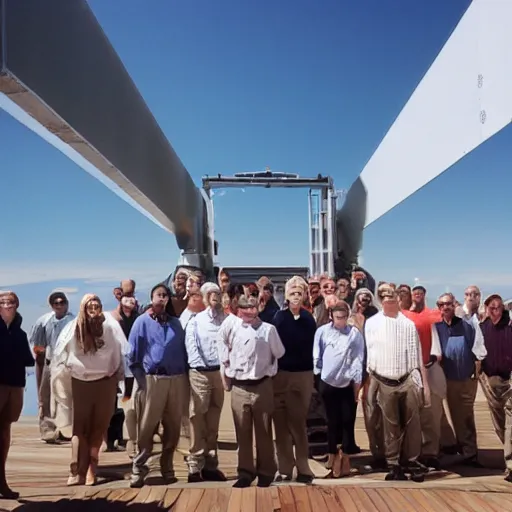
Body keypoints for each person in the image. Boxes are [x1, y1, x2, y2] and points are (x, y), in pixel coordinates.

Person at [52, 294, 128, 486]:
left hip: (105, 381)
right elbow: (61, 353)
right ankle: (76, 469)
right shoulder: (73, 328)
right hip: (81, 381)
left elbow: (120, 352)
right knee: (80, 428)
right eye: (89, 306)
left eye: (97, 305)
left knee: (99, 427)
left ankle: (92, 470)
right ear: (83, 308)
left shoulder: (110, 327)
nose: (94, 309)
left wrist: (120, 380)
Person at [128, 284, 188, 488]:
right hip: (152, 380)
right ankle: (139, 467)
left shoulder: (176, 324)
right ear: (151, 297)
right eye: (158, 295)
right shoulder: (141, 322)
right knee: (146, 427)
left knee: (172, 427)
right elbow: (132, 355)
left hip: (176, 379)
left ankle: (167, 468)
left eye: (165, 296)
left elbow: (183, 351)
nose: (162, 299)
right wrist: (141, 381)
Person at [314, 301, 364, 478]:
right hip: (327, 382)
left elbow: (359, 359)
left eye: (343, 317)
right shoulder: (322, 332)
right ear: (331, 316)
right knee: (331, 421)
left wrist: (357, 384)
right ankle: (332, 455)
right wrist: (318, 377)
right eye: (337, 317)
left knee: (347, 421)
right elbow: (317, 356)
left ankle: (345, 455)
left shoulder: (354, 334)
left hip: (347, 382)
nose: (341, 321)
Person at [0, 291, 34, 500]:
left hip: (15, 385)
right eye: (2, 302)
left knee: (4, 433)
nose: (6, 305)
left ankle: (2, 482)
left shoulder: (20, 333)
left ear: (17, 305)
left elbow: (28, 360)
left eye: (10, 302)